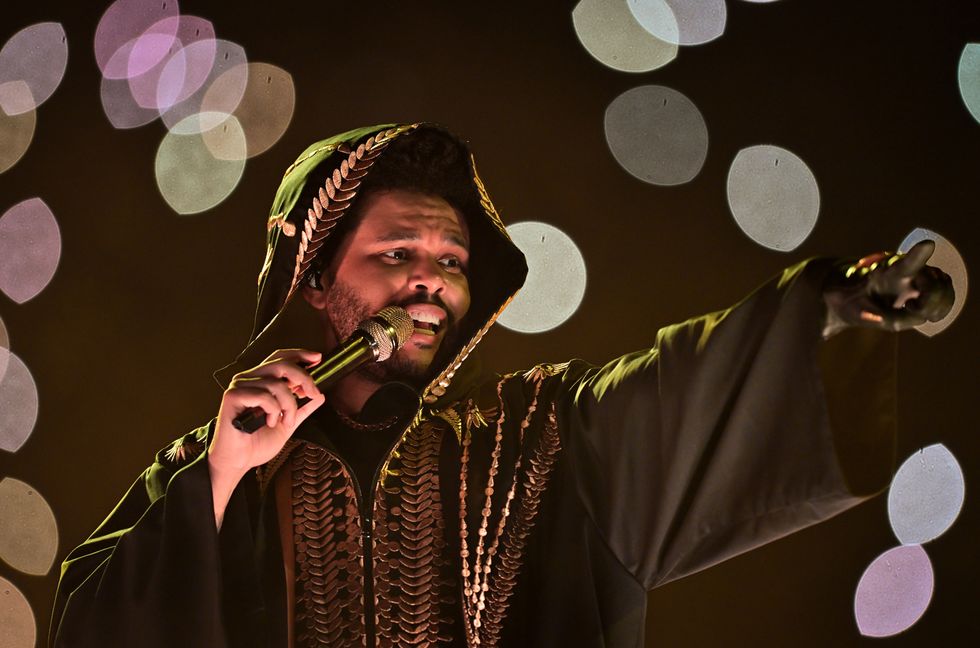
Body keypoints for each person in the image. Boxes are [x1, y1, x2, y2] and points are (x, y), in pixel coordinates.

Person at [50, 123, 954, 648]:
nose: (431, 280)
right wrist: (218, 480)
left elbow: (692, 384)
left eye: (449, 260)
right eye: (396, 253)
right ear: (316, 284)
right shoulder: (215, 465)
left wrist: (837, 305)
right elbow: (92, 630)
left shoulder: (541, 436)